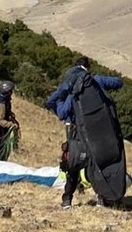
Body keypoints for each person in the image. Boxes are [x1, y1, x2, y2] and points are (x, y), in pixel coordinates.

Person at [47, 56, 124, 208]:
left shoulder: (70, 87)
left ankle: (67, 199)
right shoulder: (95, 80)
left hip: (77, 134)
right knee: (98, 163)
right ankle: (102, 198)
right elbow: (118, 82)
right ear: (87, 68)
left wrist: (61, 99)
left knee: (74, 164)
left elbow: (60, 110)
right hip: (99, 132)